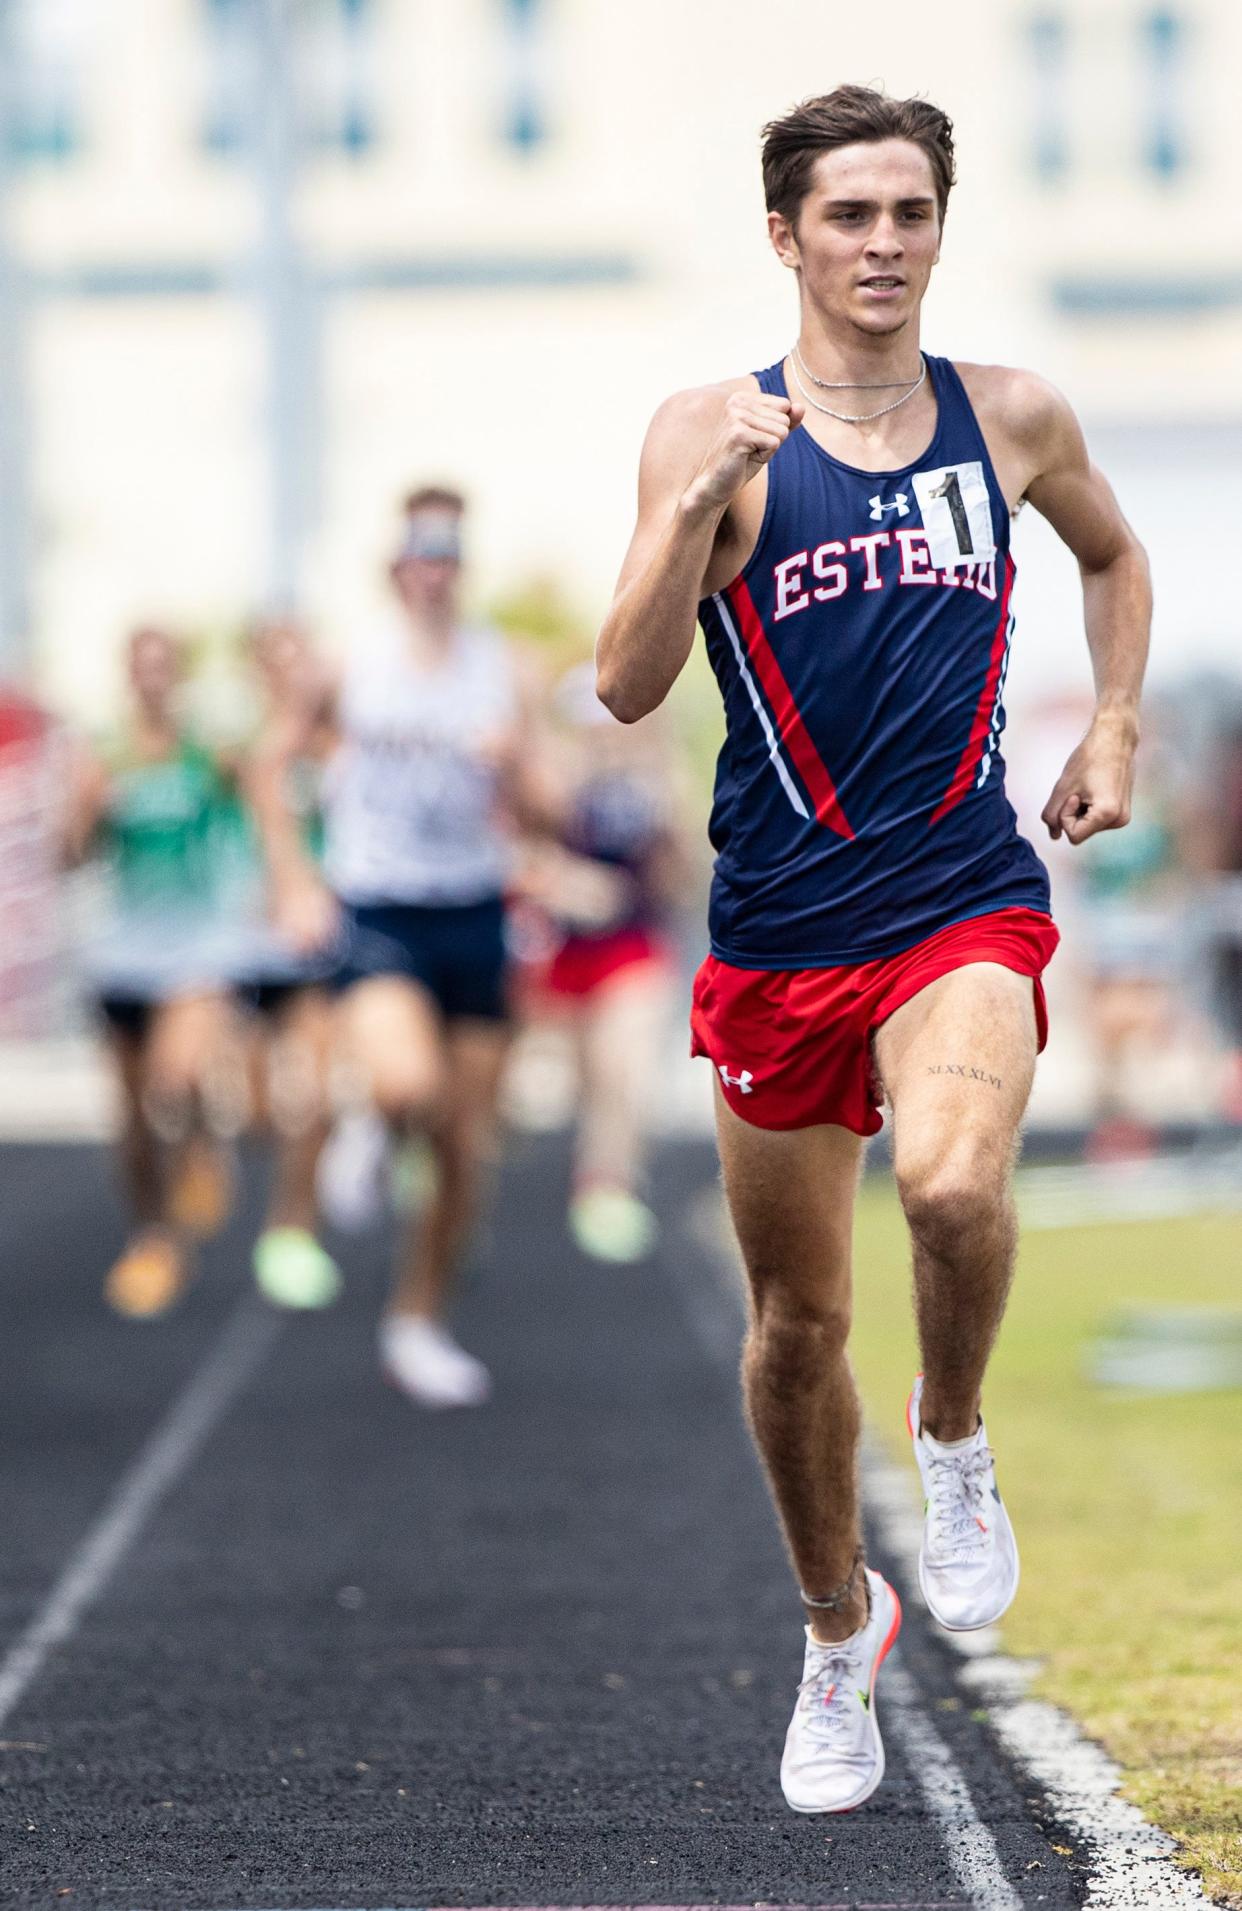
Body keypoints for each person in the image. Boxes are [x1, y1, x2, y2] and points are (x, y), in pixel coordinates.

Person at [596, 85, 1150, 1814]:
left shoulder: (1013, 417)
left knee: (955, 1187)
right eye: (850, 216)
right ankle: (838, 1625)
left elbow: (1116, 556)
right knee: (791, 1326)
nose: (884, 245)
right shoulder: (711, 428)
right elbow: (620, 682)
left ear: (939, 226)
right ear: (786, 236)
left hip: (958, 899)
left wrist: (1113, 720)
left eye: (910, 212)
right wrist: (687, 513)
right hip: (776, 934)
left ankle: (957, 1437)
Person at [253, 486, 549, 1406]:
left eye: (448, 556)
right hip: (378, 904)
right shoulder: (349, 662)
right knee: (403, 1083)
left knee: (465, 1145)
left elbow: (550, 806)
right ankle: (369, 1129)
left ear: (462, 569)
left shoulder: (506, 667)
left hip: (472, 908)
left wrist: (515, 767)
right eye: (419, 556)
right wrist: (296, 882)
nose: (433, 572)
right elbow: (268, 767)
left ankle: (418, 1320)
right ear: (394, 569)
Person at [65, 627, 238, 1317]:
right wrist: (85, 811)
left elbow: (254, 826)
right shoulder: (103, 757)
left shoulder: (208, 753)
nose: (153, 680)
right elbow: (69, 854)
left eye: (165, 667)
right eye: (142, 668)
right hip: (122, 952)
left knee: (180, 1075)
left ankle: (201, 1137)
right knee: (132, 1119)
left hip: (192, 948)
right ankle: (151, 1233)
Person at [518, 661, 686, 1262]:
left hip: (632, 948)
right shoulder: (552, 783)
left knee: (623, 1069)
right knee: (564, 1084)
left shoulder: (655, 783)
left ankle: (608, 1185)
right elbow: (521, 859)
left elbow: (680, 877)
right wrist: (567, 884)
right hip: (558, 956)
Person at [233, 616, 343, 1308]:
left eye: (297, 658)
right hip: (254, 944)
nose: (288, 673)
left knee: (313, 1092)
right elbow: (269, 831)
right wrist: (289, 887)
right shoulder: (257, 751)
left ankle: (292, 1227)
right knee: (256, 1113)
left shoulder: (340, 745)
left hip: (328, 940)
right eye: (274, 662)